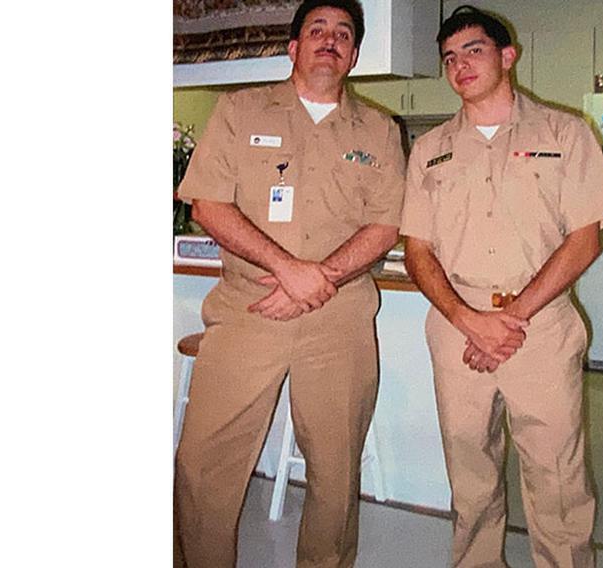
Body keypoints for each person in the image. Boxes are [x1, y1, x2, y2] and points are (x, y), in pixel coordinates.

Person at [173, 1, 406, 566]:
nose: (331, 39)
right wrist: (287, 268)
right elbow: (208, 205)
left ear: (352, 55)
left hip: (339, 317)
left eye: (343, 33)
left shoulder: (378, 129)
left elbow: (387, 224)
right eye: (317, 30)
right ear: (294, 47)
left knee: (334, 465)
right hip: (248, 308)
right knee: (204, 461)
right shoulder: (239, 111)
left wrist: (316, 277)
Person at [400, 6, 603, 568]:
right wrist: (470, 320)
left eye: (473, 50)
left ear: (507, 55)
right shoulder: (429, 150)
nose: (460, 65)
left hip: (541, 329)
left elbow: (585, 240)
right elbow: (418, 251)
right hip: (457, 331)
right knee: (470, 478)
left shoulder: (564, 133)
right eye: (449, 58)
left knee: (558, 483)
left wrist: (511, 316)